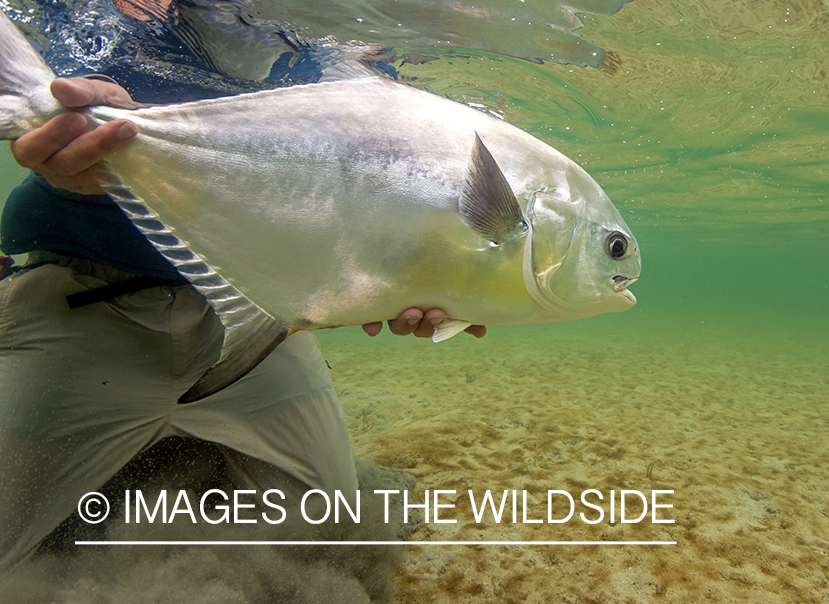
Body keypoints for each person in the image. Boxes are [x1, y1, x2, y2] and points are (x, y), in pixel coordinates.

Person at [0, 75, 484, 571]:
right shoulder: (126, 27)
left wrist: (402, 285)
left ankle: (170, 460)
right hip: (76, 302)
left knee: (325, 526)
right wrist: (86, 107)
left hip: (250, 310)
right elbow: (79, 84)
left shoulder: (333, 70)